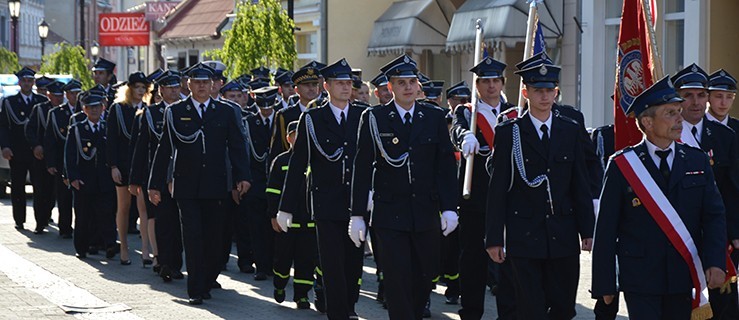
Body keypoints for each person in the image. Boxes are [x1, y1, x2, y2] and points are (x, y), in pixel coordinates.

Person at [592, 75, 727, 320]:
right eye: (670, 113)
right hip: (640, 278)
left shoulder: (696, 160)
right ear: (648, 122)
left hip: (682, 273)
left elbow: (714, 216)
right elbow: (606, 229)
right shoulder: (623, 165)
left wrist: (716, 262)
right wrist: (605, 284)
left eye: (679, 111)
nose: (679, 119)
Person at [351, 54, 459, 319]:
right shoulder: (375, 118)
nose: (408, 87)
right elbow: (362, 166)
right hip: (389, 214)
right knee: (397, 280)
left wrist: (449, 208)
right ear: (390, 87)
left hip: (425, 213)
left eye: (412, 82)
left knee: (425, 277)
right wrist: (357, 214)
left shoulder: (433, 116)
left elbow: (445, 166)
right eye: (401, 83)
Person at [485, 57, 594, 320]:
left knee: (563, 308)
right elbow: (498, 189)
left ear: (556, 92)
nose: (544, 96)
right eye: (537, 90)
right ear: (526, 93)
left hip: (563, 233)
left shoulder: (569, 129)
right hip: (524, 235)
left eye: (549, 90)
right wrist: (495, 239)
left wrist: (587, 230)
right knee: (530, 308)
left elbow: (580, 182)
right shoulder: (509, 132)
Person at [148, 62, 251, 305]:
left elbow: (237, 146)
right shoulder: (174, 111)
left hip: (216, 185)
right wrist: (155, 184)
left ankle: (207, 278)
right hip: (187, 185)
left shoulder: (225, 111)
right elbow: (164, 150)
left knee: (214, 238)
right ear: (189, 84)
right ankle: (195, 288)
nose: (202, 86)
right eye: (197, 82)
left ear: (213, 84)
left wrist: (242, 176)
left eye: (207, 82)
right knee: (192, 237)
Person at [277, 58, 366, 318]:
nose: (346, 87)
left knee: (353, 263)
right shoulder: (313, 119)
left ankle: (349, 307)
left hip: (357, 203)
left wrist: (372, 194)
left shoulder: (364, 115)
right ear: (326, 86)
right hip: (326, 203)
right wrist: (285, 208)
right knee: (332, 263)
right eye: (340, 83)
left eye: (349, 83)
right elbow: (297, 165)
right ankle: (338, 312)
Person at [449, 56, 515, 320]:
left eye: (495, 80)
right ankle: (472, 311)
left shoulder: (513, 111)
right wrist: (464, 135)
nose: (490, 86)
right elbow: (456, 129)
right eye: (484, 81)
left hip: (508, 196)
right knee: (473, 258)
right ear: (477, 85)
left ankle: (508, 313)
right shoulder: (467, 112)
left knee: (507, 258)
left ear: (502, 83)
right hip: (476, 196)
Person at [671, 64, 739, 319]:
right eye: (688, 95)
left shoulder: (725, 136)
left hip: (715, 232)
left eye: (701, 95)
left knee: (725, 304)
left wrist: (735, 231)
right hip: (677, 229)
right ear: (677, 97)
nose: (696, 102)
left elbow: (732, 188)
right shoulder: (667, 135)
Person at [130, 70, 184, 282]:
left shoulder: (185, 109)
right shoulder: (151, 113)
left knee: (179, 223)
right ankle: (163, 261)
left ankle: (176, 263)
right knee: (162, 220)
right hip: (158, 175)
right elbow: (141, 147)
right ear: (160, 90)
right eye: (169, 87)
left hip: (182, 175)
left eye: (176, 87)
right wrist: (135, 180)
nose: (173, 91)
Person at [268, 120, 320, 310]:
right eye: (296, 135)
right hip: (286, 222)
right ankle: (279, 285)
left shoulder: (314, 160)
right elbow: (273, 191)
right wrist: (273, 215)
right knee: (282, 258)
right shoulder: (281, 161)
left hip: (308, 223)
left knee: (305, 261)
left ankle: (302, 296)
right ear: (288, 138)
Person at [65, 89, 117, 259]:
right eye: (90, 107)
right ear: (84, 109)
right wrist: (73, 177)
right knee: (83, 216)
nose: (94, 110)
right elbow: (70, 155)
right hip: (84, 180)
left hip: (104, 180)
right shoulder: (77, 129)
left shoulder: (108, 128)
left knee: (107, 214)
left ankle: (109, 244)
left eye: (97, 107)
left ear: (103, 108)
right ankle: (82, 247)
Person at [107, 72, 151, 265]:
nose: (140, 91)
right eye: (137, 87)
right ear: (130, 88)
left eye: (143, 88)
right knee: (123, 207)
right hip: (123, 164)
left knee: (144, 208)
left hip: (141, 166)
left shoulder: (149, 109)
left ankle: (145, 250)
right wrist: (113, 166)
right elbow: (111, 140)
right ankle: (124, 247)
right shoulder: (118, 109)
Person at [0, 67, 48, 231]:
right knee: (18, 187)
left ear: (33, 83)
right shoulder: (9, 102)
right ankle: (19, 220)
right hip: (17, 151)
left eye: (29, 81)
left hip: (37, 152)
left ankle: (41, 222)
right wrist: (5, 147)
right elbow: (4, 127)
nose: (27, 84)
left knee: (39, 187)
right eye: (24, 81)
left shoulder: (41, 101)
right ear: (19, 82)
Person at [241, 86, 279, 280]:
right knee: (256, 227)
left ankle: (275, 264)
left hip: (276, 181)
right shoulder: (248, 122)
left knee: (275, 226)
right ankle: (262, 266)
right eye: (262, 106)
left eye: (268, 106)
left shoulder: (280, 120)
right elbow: (243, 154)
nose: (266, 110)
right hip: (255, 182)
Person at [25, 80, 65, 234]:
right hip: (42, 157)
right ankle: (40, 223)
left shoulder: (65, 111)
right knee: (41, 190)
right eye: (55, 96)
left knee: (55, 193)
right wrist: (36, 145)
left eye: (60, 96)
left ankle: (56, 221)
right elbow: (30, 129)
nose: (58, 99)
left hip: (58, 157)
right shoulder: (40, 109)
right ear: (49, 96)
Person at [44, 79, 82, 238]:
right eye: (72, 94)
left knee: (82, 199)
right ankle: (65, 227)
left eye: (78, 93)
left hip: (82, 161)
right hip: (62, 160)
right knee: (64, 196)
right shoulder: (56, 113)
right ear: (67, 95)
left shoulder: (86, 111)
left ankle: (82, 228)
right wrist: (51, 162)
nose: (75, 97)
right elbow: (50, 140)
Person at [268, 61, 325, 163]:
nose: (311, 88)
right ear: (296, 89)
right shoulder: (285, 115)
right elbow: (277, 149)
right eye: (306, 85)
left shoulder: (323, 111)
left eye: (314, 84)